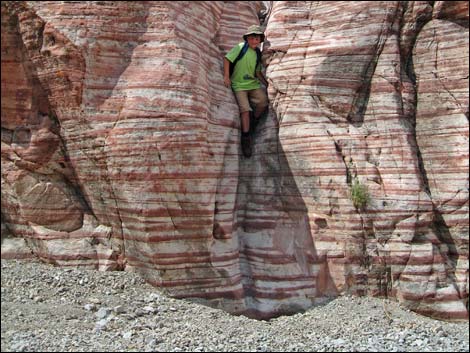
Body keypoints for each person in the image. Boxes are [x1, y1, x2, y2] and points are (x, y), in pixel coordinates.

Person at [223, 25, 269, 158]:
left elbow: (258, 71)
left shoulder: (257, 53)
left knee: (263, 102)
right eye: (251, 37)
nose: (254, 40)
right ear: (247, 38)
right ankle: (246, 137)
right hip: (239, 85)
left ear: (260, 40)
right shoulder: (240, 47)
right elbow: (227, 59)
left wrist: (265, 83)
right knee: (245, 110)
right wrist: (226, 76)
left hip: (252, 84)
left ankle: (253, 122)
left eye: (256, 38)